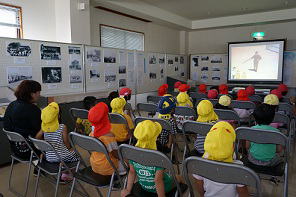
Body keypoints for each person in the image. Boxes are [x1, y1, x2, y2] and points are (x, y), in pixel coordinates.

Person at [121, 120, 178, 197]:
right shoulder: (159, 156)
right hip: (163, 187)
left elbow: (132, 172)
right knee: (179, 178)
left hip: (144, 186)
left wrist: (128, 190)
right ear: (156, 137)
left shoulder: (133, 153)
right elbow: (158, 180)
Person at [194, 121, 249, 197]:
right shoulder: (238, 168)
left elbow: (200, 188)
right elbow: (243, 194)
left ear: (208, 142)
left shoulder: (199, 164)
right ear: (232, 146)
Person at [35, 102, 78, 181]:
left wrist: (45, 143)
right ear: (58, 116)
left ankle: (63, 167)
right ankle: (67, 173)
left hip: (49, 157)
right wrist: (70, 149)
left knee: (66, 154)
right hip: (61, 157)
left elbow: (37, 137)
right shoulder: (62, 127)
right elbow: (66, 143)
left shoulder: (44, 127)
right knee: (76, 155)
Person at [4, 80, 42, 160]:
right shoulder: (33, 110)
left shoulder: (12, 105)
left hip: (15, 149)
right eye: (38, 92)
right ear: (32, 94)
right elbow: (40, 132)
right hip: (30, 151)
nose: (39, 95)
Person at [88, 102, 124, 175]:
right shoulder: (109, 137)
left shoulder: (91, 134)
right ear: (106, 118)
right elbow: (116, 154)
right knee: (129, 164)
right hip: (108, 167)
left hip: (94, 165)